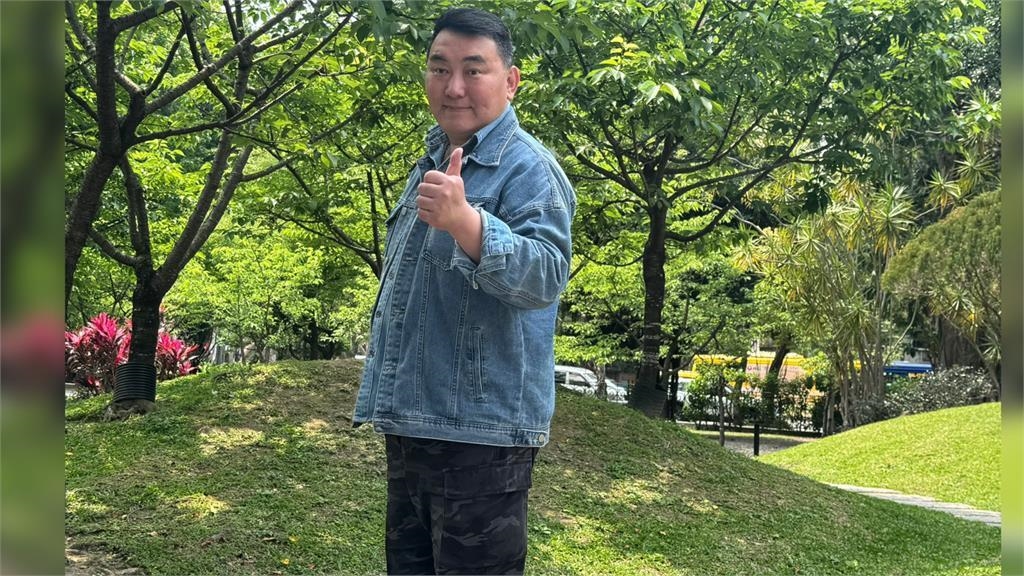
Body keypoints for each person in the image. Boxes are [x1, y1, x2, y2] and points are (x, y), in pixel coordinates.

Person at [352, 7, 576, 575]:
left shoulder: (528, 169)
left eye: (474, 70)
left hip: (480, 437)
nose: (454, 87)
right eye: (440, 68)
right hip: (414, 421)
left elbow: (547, 276)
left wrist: (469, 225)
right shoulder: (434, 159)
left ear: (511, 80)